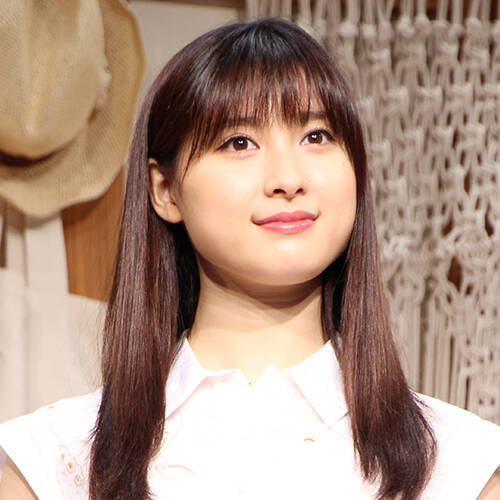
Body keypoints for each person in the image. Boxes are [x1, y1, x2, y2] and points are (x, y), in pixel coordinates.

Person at [0, 17, 499, 500]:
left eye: (317, 136)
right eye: (240, 142)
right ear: (165, 190)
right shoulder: (56, 463)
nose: (288, 178)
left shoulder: (461, 467)